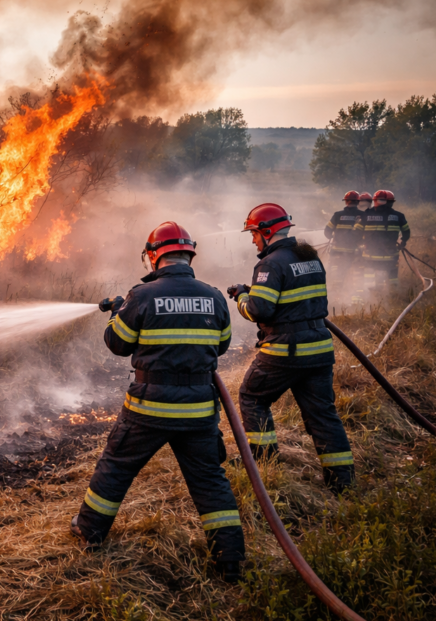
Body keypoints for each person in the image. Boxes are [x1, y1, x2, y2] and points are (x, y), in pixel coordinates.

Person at [70, 222, 245, 582]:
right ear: (189, 255)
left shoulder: (142, 295)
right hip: (198, 411)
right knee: (210, 481)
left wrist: (118, 312)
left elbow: (117, 344)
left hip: (148, 409)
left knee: (116, 467)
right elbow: (222, 345)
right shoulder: (213, 297)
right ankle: (230, 560)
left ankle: (88, 531)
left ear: (153, 256)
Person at [227, 204, 355, 495]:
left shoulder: (270, 264)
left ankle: (264, 462)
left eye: (254, 233)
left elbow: (259, 310)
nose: (253, 240)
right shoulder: (310, 257)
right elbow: (295, 299)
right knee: (322, 415)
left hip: (286, 350)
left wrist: (242, 297)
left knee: (252, 397)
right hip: (319, 348)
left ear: (267, 231)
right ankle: (343, 482)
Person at [359, 190, 410, 290]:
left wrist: (361, 242)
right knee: (392, 275)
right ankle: (393, 292)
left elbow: (357, 231)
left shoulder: (366, 215)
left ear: (375, 201)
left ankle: (371, 293)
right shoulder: (399, 216)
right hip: (390, 254)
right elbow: (406, 232)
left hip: (370, 254)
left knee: (370, 274)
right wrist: (403, 242)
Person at [323, 190, 364, 301]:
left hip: (337, 251)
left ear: (346, 202)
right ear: (358, 202)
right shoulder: (362, 215)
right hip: (355, 252)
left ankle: (336, 296)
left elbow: (327, 231)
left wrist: (333, 238)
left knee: (337, 273)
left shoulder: (337, 215)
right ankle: (356, 297)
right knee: (356, 275)